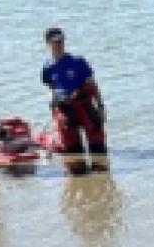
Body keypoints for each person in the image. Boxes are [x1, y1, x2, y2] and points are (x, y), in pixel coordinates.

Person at [41, 27, 108, 163]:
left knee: (98, 149)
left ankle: (101, 176)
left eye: (61, 41)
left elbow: (92, 85)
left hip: (84, 106)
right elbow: (49, 89)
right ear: (48, 44)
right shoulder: (47, 68)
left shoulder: (78, 62)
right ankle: (78, 176)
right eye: (55, 42)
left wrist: (100, 106)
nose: (59, 44)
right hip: (65, 110)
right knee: (73, 153)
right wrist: (52, 104)